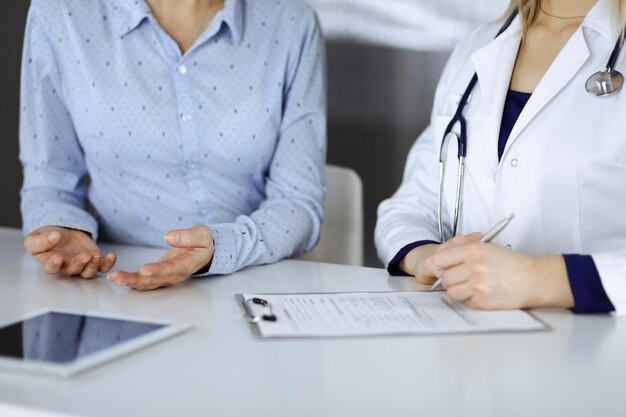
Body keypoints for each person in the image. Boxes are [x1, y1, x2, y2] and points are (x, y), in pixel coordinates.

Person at [20, 0, 326, 290]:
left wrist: (223, 247)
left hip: (248, 284)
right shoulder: (59, 15)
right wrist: (63, 230)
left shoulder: (292, 23)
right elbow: (50, 181)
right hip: (108, 288)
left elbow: (297, 199)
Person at [375, 0, 626, 315]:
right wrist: (428, 256)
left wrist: (544, 279)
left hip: (598, 349)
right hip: (471, 345)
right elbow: (409, 206)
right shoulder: (479, 45)